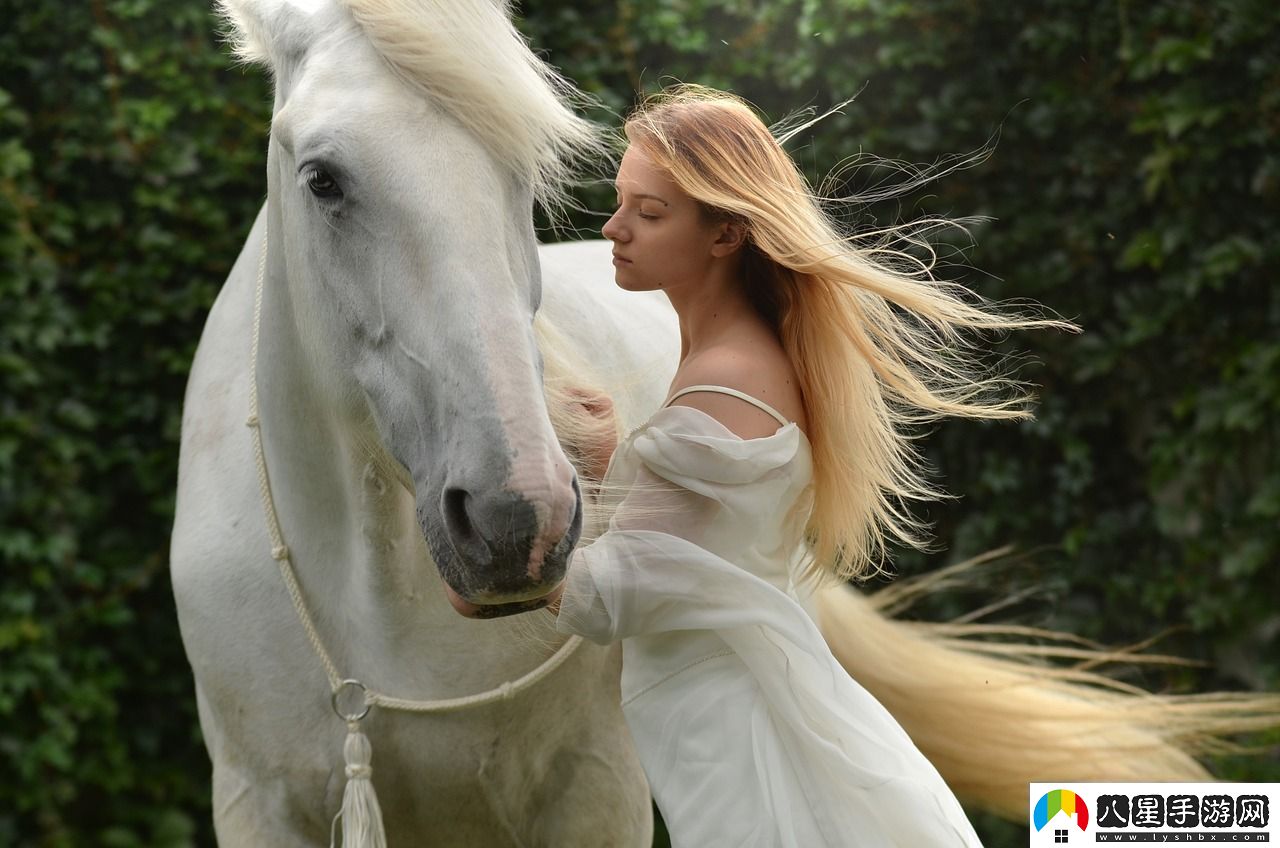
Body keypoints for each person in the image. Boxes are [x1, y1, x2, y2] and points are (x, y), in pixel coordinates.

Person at [542, 83, 1083, 847]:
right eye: (621, 200)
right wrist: (603, 466)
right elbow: (693, 554)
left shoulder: (721, 381)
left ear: (725, 235)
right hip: (730, 716)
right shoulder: (737, 358)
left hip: (738, 741)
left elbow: (604, 602)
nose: (613, 228)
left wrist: (496, 564)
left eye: (649, 212)